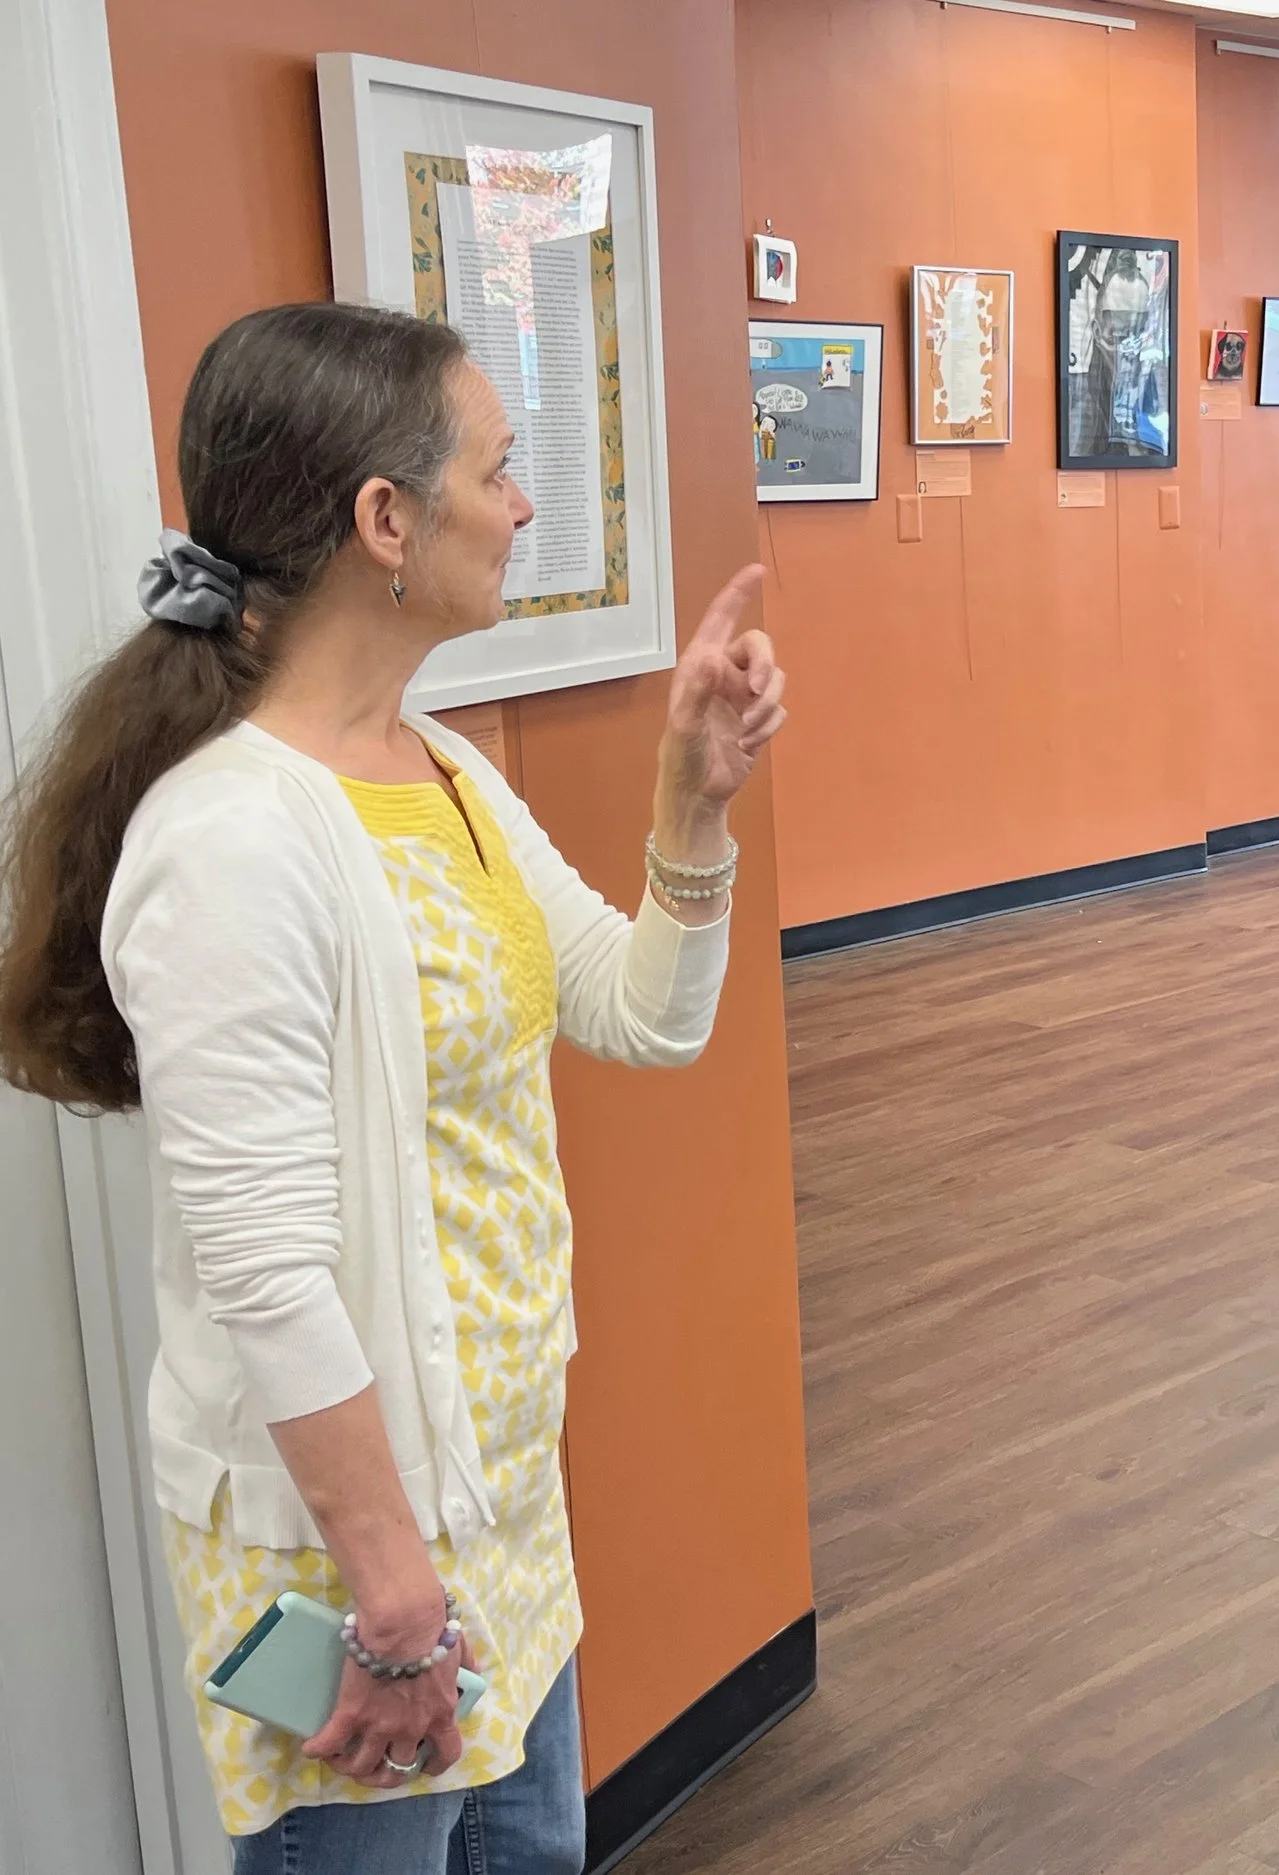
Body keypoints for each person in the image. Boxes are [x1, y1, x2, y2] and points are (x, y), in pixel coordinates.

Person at [0, 302, 787, 1874]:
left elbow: (642, 1014)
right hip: (352, 1567)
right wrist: (393, 1593)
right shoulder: (228, 837)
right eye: (496, 470)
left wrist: (691, 803)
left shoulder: (443, 774)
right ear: (385, 520)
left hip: (496, 1510)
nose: (524, 504)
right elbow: (265, 1265)